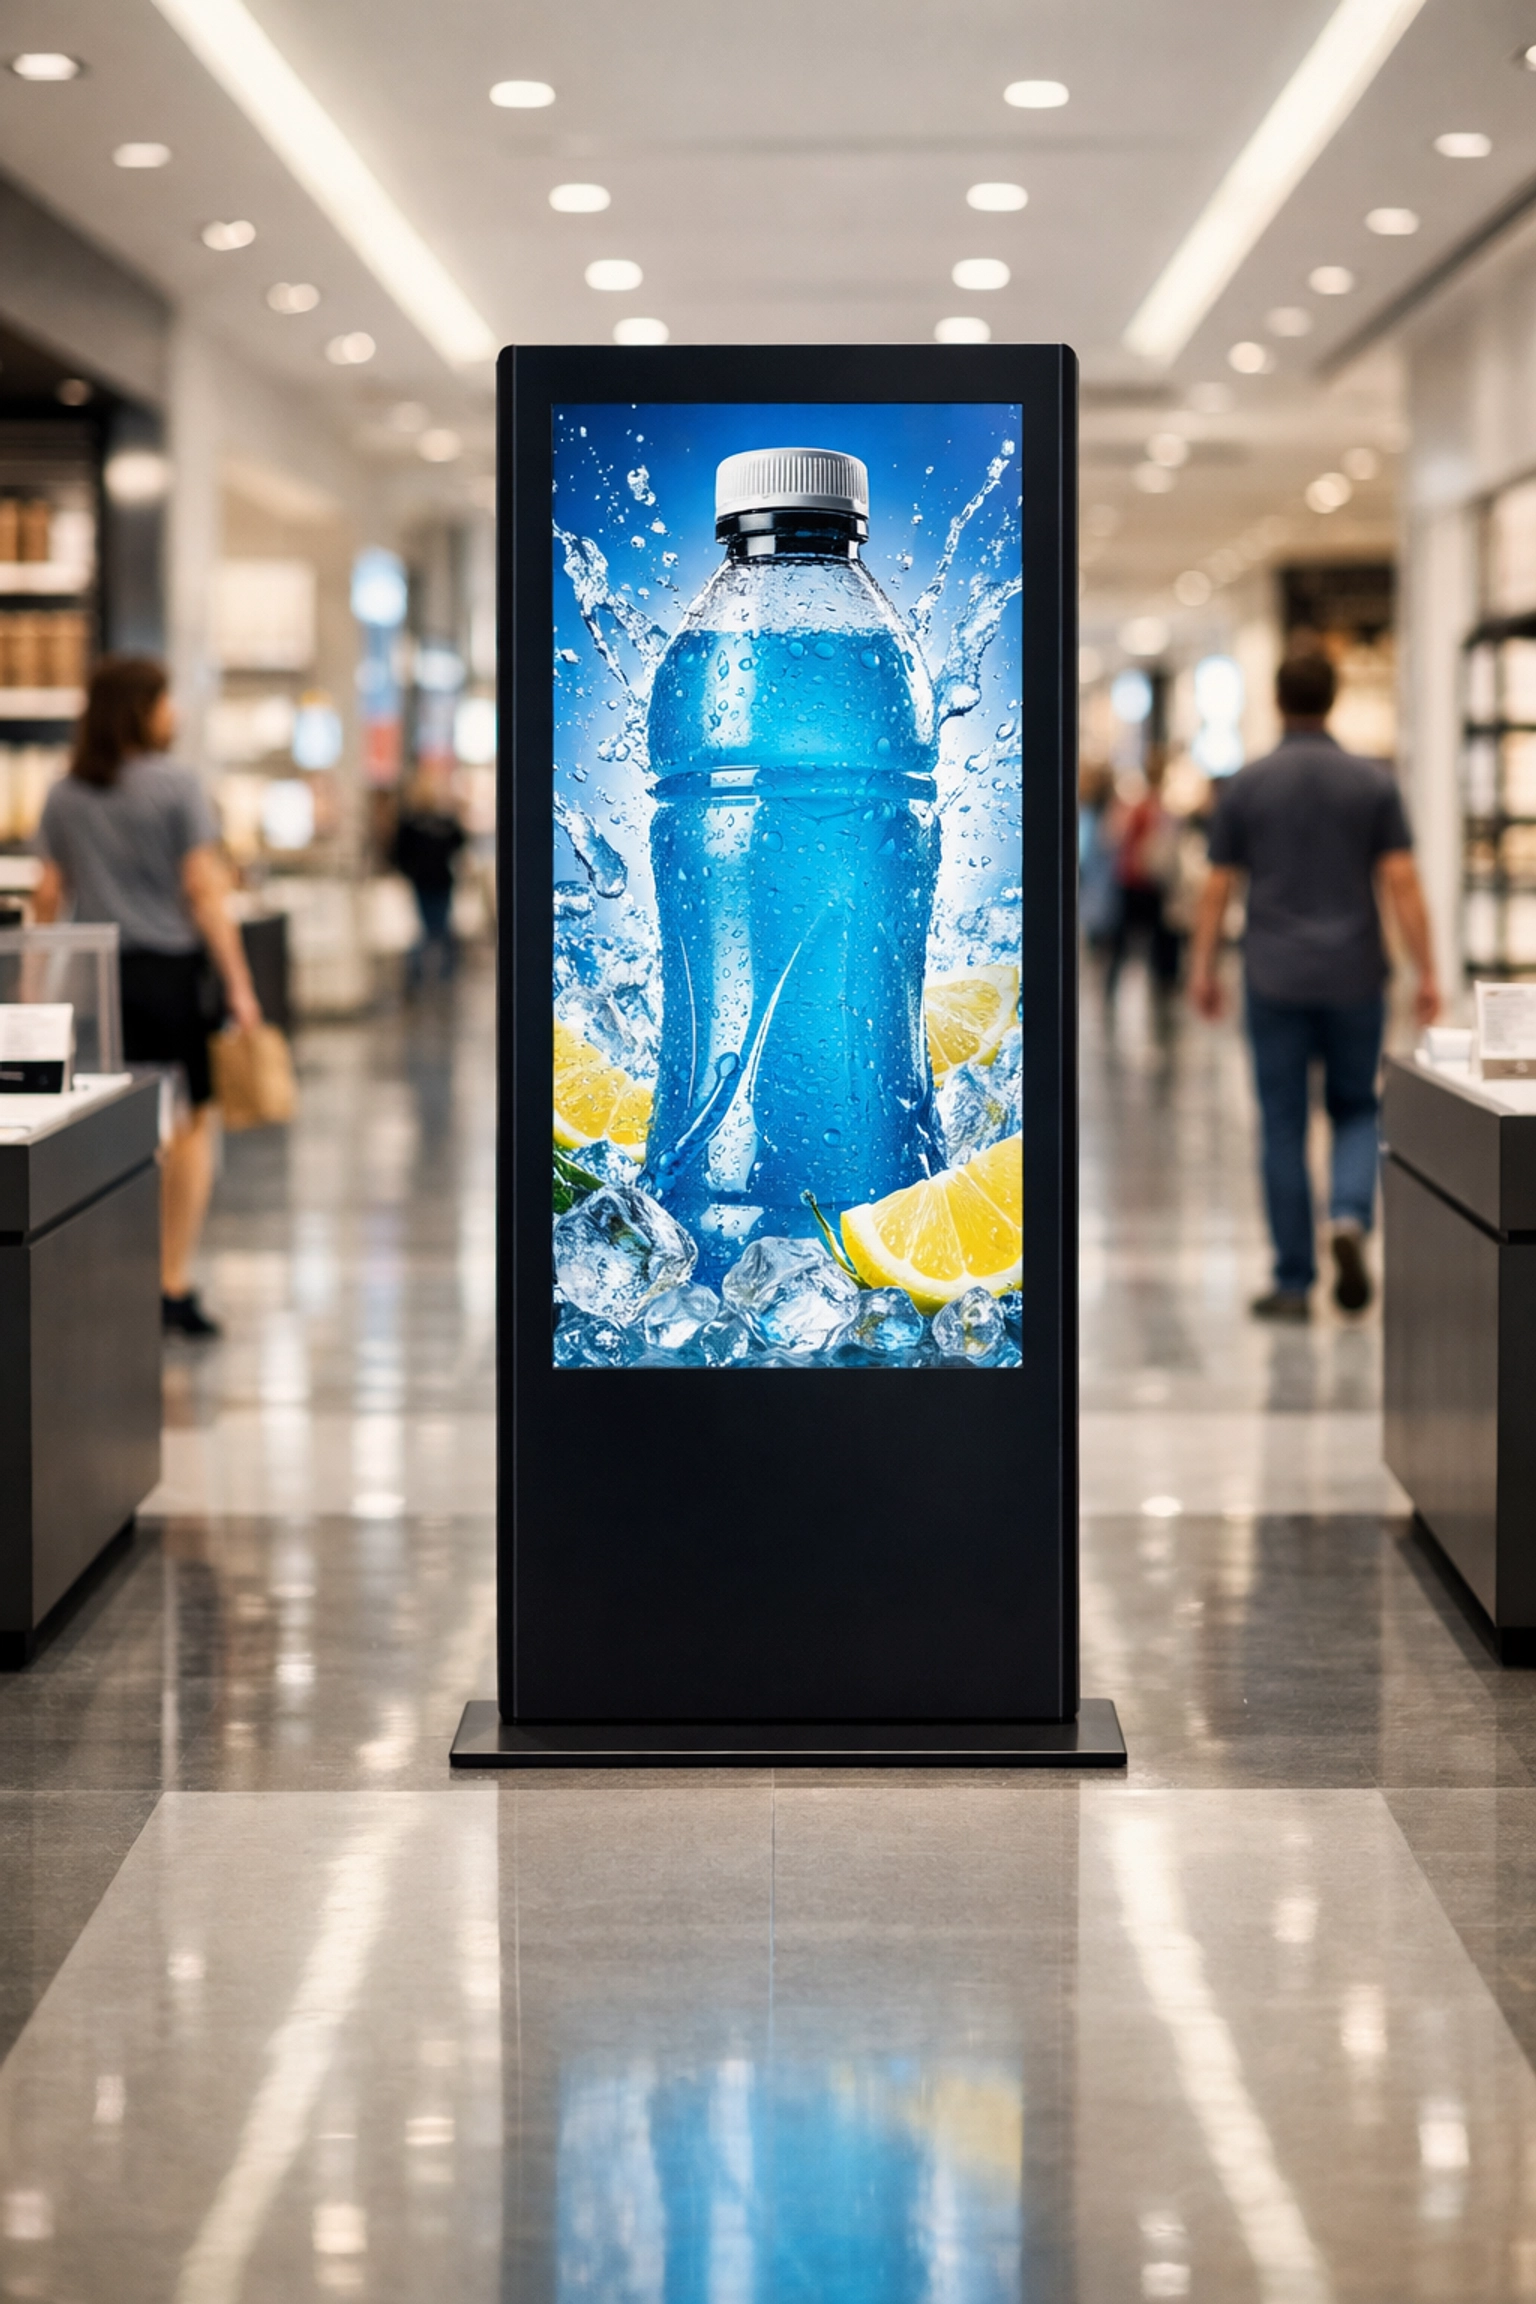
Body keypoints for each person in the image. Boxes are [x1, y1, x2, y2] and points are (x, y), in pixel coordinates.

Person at [1188, 650, 1440, 1321]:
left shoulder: (1246, 785)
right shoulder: (1372, 783)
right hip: (1356, 972)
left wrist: (1203, 968)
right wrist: (1430, 972)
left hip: (1273, 977)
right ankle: (1351, 1215)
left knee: (1281, 1125)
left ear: (1277, 701)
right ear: (1333, 700)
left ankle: (1294, 1282)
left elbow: (1217, 889)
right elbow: (1403, 882)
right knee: (1357, 1107)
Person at [33, 655, 262, 1337]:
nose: (176, 714)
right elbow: (203, 890)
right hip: (168, 976)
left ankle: (104, 1274)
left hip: (93, 980)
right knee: (190, 1130)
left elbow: (48, 897)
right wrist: (241, 985)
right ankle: (170, 1282)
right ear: (142, 709)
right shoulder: (177, 786)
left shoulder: (64, 791)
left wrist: (28, 992)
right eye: (166, 701)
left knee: (107, 1123)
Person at [1104, 752, 1182, 1005]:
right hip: (1140, 880)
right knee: (1138, 936)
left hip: (1141, 880)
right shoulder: (1150, 810)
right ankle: (1160, 986)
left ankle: (1160, 985)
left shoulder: (1149, 809)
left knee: (1142, 937)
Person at [391, 773, 466, 991]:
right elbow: (399, 852)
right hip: (425, 881)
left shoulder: (442, 821)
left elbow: (458, 842)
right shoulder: (412, 823)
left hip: (438, 881)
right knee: (429, 928)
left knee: (437, 927)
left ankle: (439, 973)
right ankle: (423, 974)